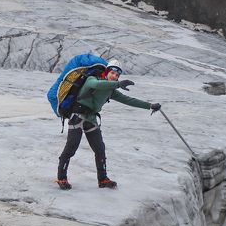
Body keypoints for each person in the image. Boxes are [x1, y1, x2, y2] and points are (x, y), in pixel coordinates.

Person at [56, 60, 161, 190]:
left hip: (92, 119)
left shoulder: (111, 89)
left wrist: (149, 106)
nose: (114, 76)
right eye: (112, 73)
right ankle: (61, 177)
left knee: (100, 149)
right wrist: (117, 84)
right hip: (77, 117)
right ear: (106, 72)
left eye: (117, 75)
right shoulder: (91, 79)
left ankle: (103, 179)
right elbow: (97, 84)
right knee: (71, 148)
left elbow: (128, 100)